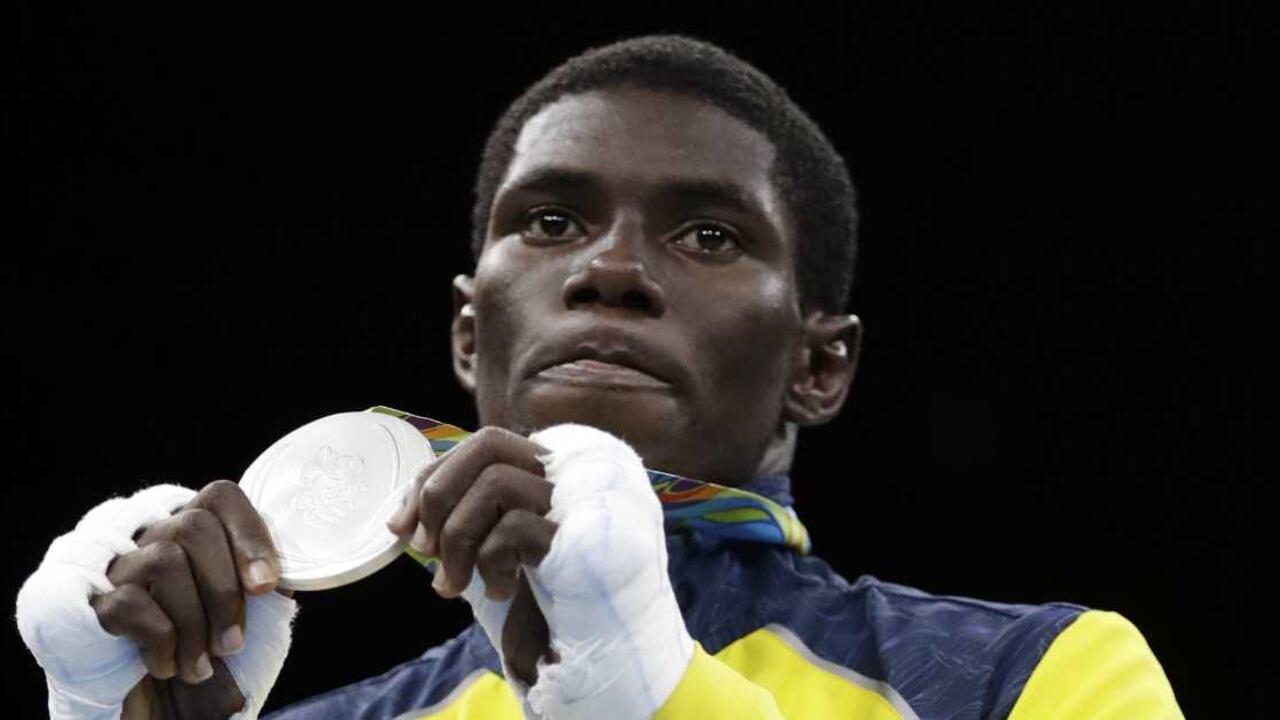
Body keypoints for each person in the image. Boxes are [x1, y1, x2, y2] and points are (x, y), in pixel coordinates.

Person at [16, 35, 1184, 719]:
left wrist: (657, 697)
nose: (611, 271)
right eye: (554, 219)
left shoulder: (1037, 677)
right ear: (470, 337)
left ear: (817, 365)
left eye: (709, 236)